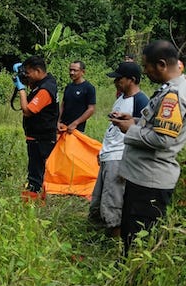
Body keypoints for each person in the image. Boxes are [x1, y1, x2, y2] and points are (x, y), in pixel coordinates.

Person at [111, 40, 186, 253]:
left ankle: (133, 283)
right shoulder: (170, 89)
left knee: (138, 242)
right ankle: (125, 278)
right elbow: (159, 127)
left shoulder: (174, 96)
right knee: (130, 235)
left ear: (161, 64)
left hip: (150, 181)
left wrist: (130, 130)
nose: (144, 71)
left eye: (146, 66)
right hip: (142, 177)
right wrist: (134, 120)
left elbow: (163, 139)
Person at [88, 62, 149, 237]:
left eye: (119, 78)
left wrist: (129, 163)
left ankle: (116, 240)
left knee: (113, 201)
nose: (116, 82)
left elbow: (142, 133)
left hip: (120, 157)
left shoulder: (141, 101)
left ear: (132, 80)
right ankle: (100, 234)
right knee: (99, 199)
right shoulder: (121, 98)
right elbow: (113, 130)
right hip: (109, 154)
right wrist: (102, 151)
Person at [12, 56, 59, 199]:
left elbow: (27, 111)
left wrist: (21, 89)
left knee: (37, 174)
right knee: (35, 170)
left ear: (38, 71)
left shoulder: (46, 89)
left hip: (41, 139)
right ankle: (35, 197)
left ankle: (34, 203)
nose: (26, 76)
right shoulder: (43, 83)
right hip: (36, 137)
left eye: (28, 73)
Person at [58, 61, 96, 133]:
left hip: (76, 129)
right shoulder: (68, 87)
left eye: (75, 70)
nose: (72, 73)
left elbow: (91, 109)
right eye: (70, 70)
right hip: (62, 127)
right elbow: (63, 105)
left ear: (83, 72)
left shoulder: (89, 88)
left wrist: (75, 123)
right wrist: (58, 121)